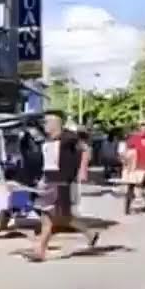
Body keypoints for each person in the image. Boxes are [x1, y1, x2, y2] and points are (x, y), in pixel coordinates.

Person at [28, 111, 99, 262]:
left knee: (56, 217)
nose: (44, 125)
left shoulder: (69, 137)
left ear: (55, 124)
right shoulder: (48, 140)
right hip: (49, 181)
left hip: (62, 181)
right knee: (53, 217)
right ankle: (88, 233)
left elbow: (86, 149)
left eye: (47, 122)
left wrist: (82, 170)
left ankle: (40, 251)